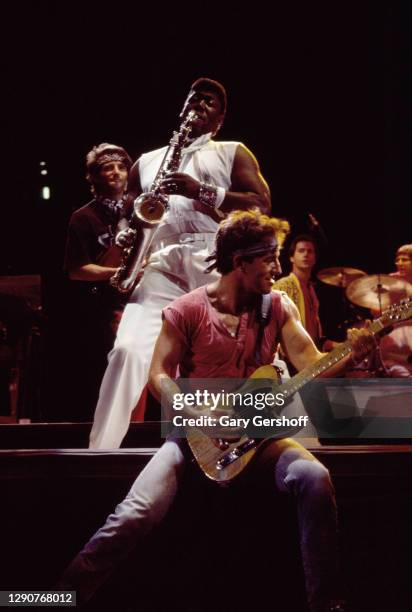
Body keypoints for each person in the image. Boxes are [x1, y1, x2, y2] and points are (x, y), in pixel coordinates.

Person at [58, 210, 374, 611]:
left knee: (314, 476)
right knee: (135, 512)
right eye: (270, 258)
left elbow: (312, 365)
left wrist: (352, 354)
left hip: (260, 440)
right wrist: (198, 417)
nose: (278, 268)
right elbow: (158, 376)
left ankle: (326, 603)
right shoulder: (187, 309)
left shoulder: (276, 307)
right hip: (193, 439)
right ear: (240, 261)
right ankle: (59, 596)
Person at [89, 77, 271, 448]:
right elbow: (132, 212)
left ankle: (223, 448)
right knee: (126, 350)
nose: (199, 105)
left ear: (219, 120)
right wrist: (127, 232)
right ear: (182, 108)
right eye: (194, 99)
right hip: (160, 263)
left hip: (214, 262)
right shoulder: (148, 161)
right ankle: (100, 451)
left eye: (210, 102)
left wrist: (201, 191)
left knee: (214, 362)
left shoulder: (233, 151)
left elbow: (261, 203)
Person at [62, 143, 132, 420]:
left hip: (147, 296)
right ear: (93, 176)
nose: (116, 172)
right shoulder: (83, 218)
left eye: (121, 166)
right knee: (115, 372)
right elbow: (77, 270)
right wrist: (119, 273)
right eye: (107, 168)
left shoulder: (140, 207)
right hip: (106, 307)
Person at [273, 234, 322, 347]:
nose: (306, 254)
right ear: (291, 257)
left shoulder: (311, 289)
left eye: (310, 251)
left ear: (314, 258)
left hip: (310, 356)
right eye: (301, 251)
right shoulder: (283, 285)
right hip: (290, 356)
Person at [378, 244, 412, 377]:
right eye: (397, 260)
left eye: (404, 259)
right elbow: (375, 311)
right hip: (395, 340)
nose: (400, 263)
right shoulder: (390, 282)